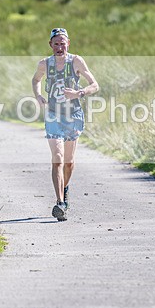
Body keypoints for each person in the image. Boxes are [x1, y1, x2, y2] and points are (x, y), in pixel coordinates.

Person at [32, 28, 99, 221]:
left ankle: (65, 188)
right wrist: (38, 95)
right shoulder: (44, 64)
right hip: (53, 115)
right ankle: (60, 202)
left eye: (63, 43)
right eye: (56, 44)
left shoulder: (76, 61)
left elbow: (94, 84)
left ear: (68, 43)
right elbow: (36, 79)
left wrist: (79, 93)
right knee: (58, 158)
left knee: (68, 162)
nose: (59, 47)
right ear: (50, 45)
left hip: (73, 116)